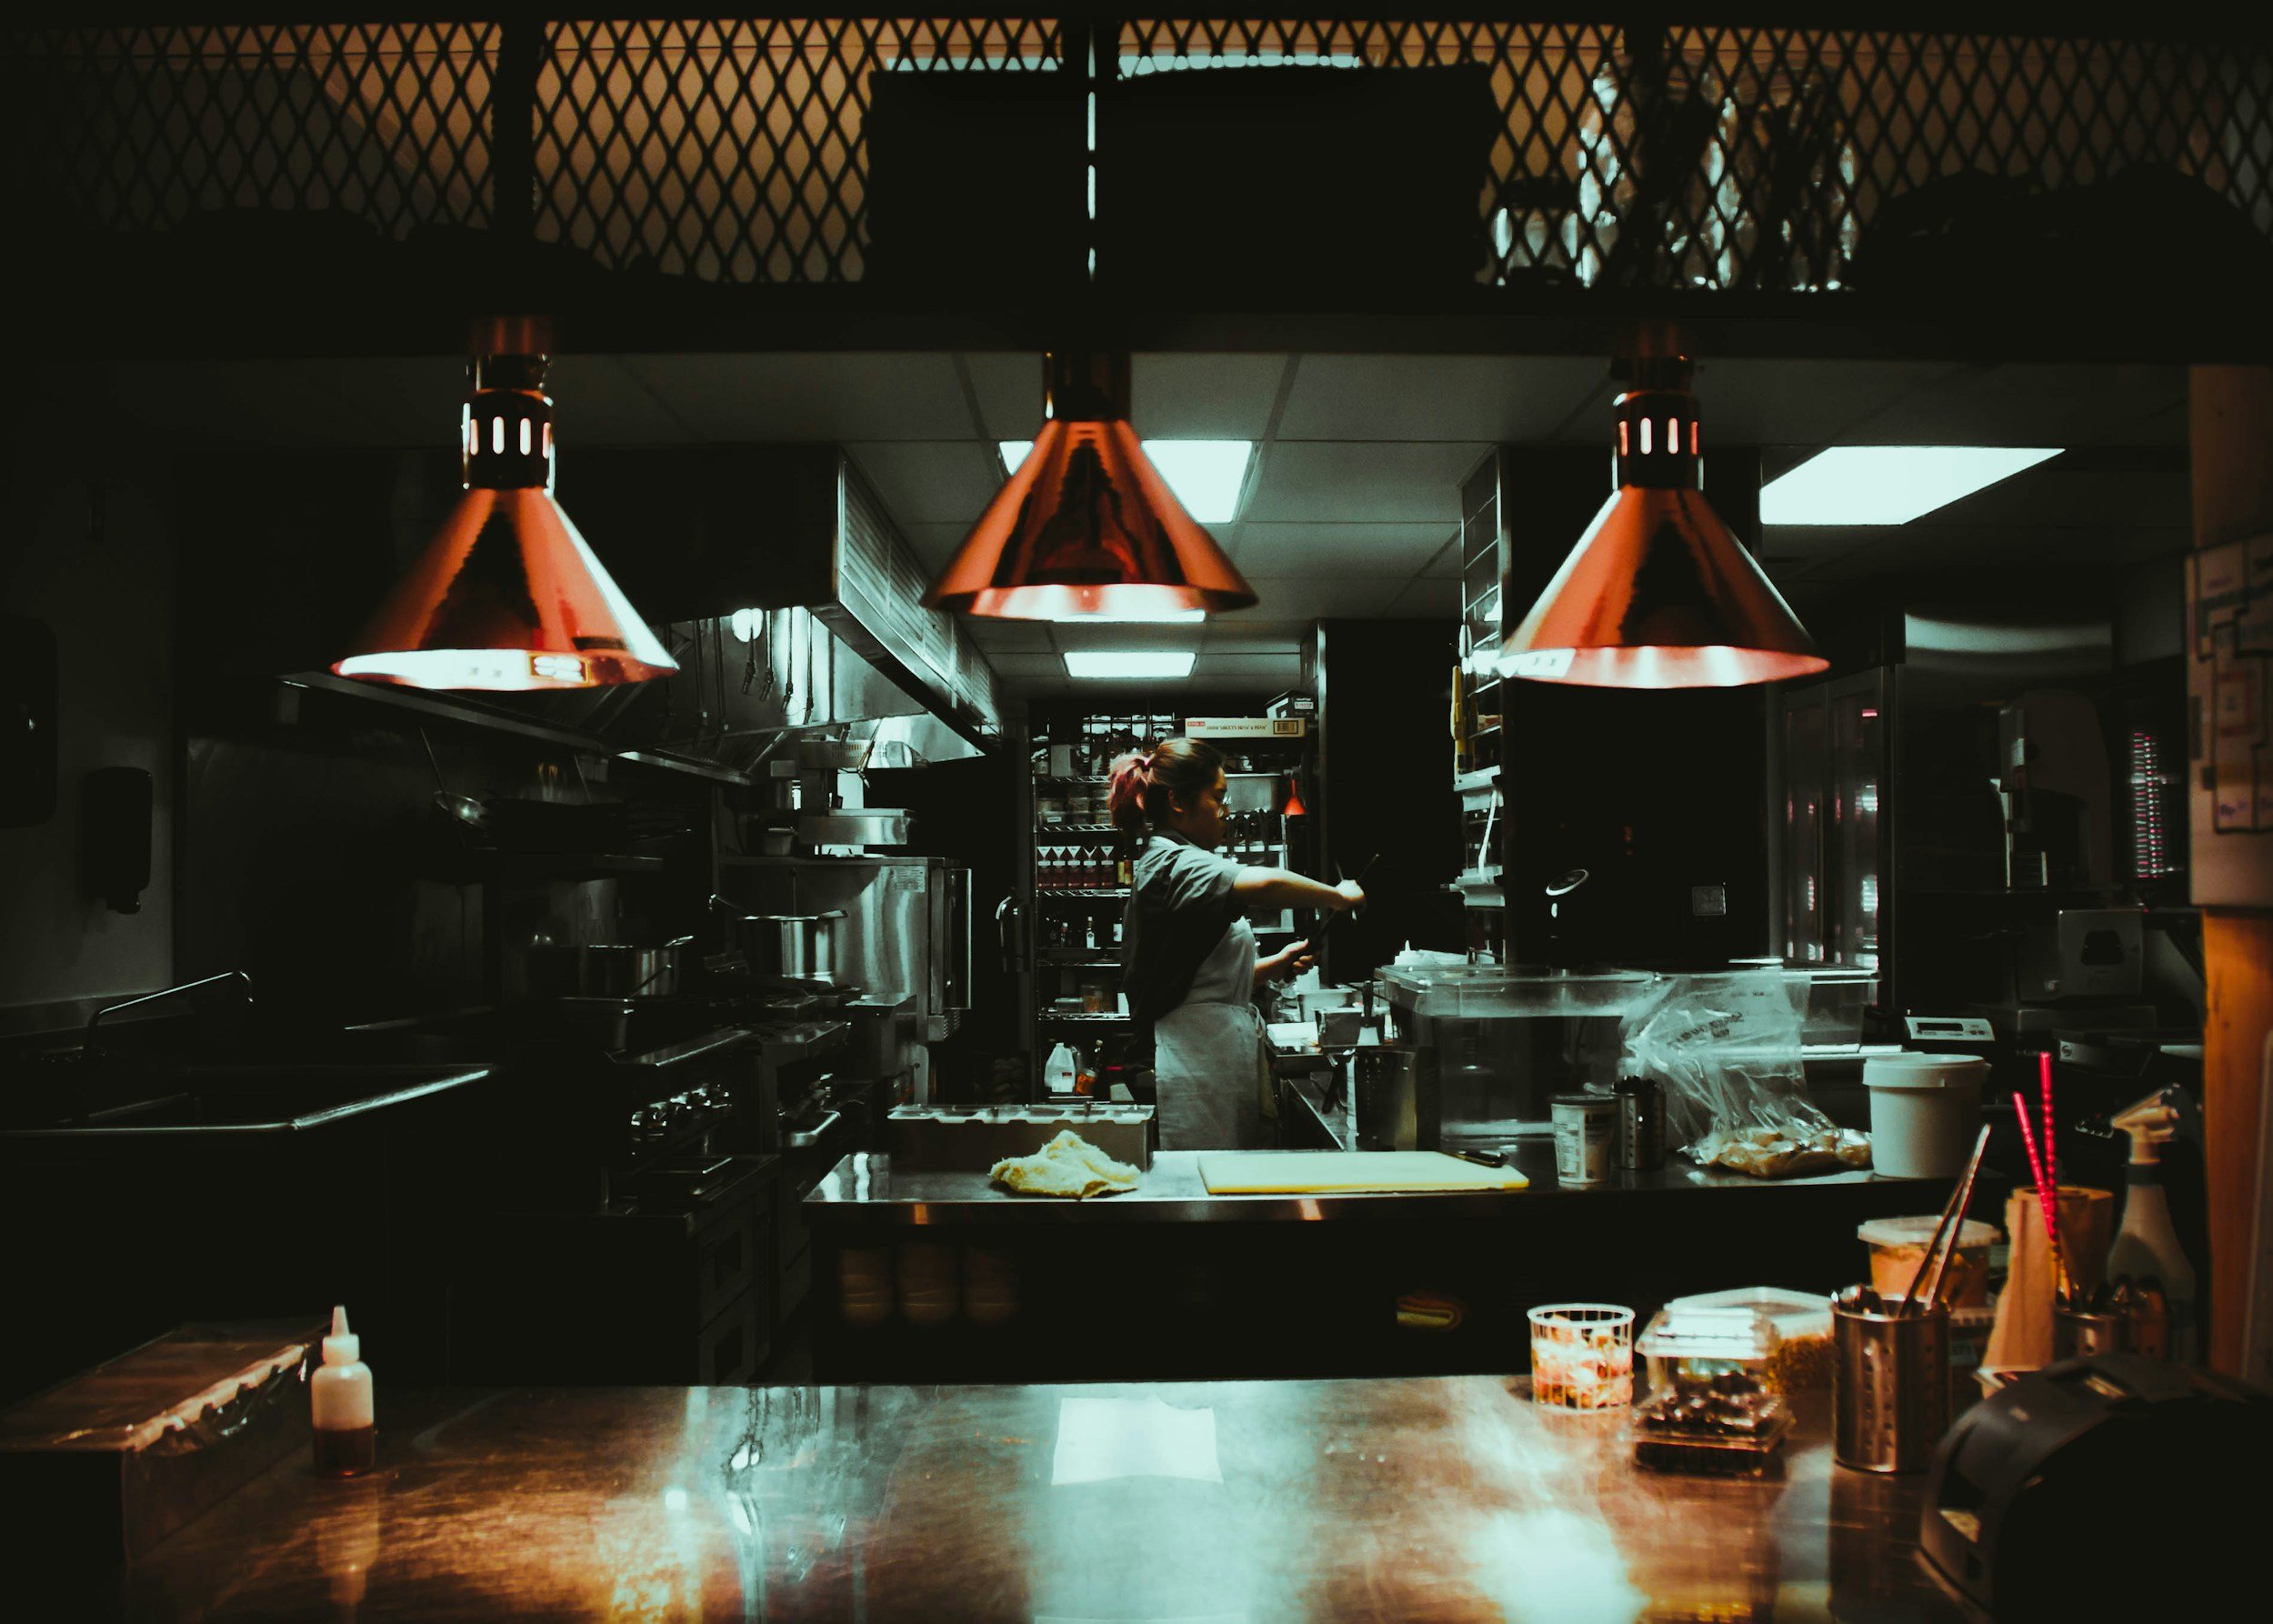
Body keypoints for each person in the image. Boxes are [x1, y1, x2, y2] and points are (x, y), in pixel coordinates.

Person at [1108, 739, 1365, 1150]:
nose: (1225, 811)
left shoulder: (1175, 858)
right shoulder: (1177, 861)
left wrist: (1276, 965)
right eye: (1217, 797)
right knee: (1198, 1190)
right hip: (1189, 1060)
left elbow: (1200, 984)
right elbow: (1260, 883)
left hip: (1204, 1051)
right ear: (1178, 800)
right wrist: (1339, 895)